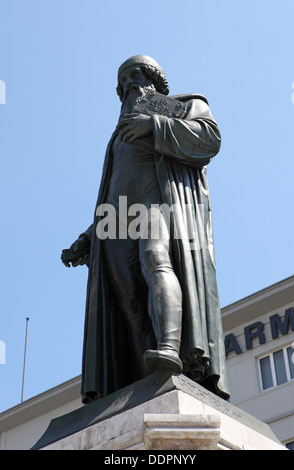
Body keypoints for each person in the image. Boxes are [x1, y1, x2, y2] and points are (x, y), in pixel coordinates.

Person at [62, 55, 230, 403]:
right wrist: (89, 236)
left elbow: (209, 137)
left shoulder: (181, 105)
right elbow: (113, 189)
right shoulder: (115, 139)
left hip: (157, 201)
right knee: (127, 299)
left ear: (156, 79)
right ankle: (145, 376)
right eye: (122, 80)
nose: (128, 83)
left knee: (156, 259)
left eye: (135, 74)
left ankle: (170, 349)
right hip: (116, 217)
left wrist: (154, 126)